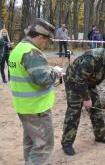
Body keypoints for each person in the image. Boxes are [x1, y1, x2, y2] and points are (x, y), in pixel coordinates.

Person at [61, 46, 105, 156]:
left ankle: (100, 136)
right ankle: (67, 143)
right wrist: (86, 98)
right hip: (74, 82)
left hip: (89, 83)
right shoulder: (92, 59)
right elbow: (80, 80)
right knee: (74, 112)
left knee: (96, 108)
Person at [8, 18, 61, 164]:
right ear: (40, 37)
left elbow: (29, 74)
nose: (46, 44)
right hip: (37, 108)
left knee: (31, 142)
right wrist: (56, 72)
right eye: (46, 40)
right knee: (43, 145)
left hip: (24, 107)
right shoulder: (32, 53)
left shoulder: (18, 48)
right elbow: (44, 80)